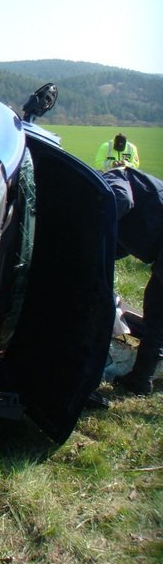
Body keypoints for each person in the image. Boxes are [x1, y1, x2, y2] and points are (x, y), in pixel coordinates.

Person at [101, 167, 163, 395]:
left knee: (156, 314)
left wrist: (92, 227)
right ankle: (142, 378)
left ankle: (140, 380)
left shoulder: (111, 178)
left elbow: (121, 200)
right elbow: (126, 239)